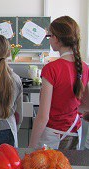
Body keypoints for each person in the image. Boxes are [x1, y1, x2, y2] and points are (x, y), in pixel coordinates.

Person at [29, 16, 89, 150]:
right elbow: (85, 104)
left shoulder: (51, 69)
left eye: (49, 36)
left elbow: (43, 116)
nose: (49, 39)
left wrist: (31, 146)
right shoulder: (84, 67)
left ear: (56, 38)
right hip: (74, 132)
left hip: (52, 135)